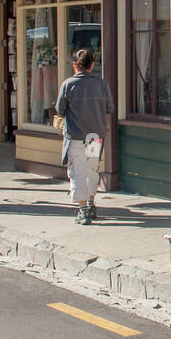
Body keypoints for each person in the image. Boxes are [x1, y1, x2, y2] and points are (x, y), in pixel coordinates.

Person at [55, 47, 114, 225]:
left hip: (75, 135)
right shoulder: (102, 84)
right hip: (95, 135)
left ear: (75, 66)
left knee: (77, 172)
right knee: (91, 169)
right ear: (92, 65)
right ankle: (91, 202)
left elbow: (60, 110)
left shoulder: (68, 85)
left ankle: (83, 210)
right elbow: (109, 108)